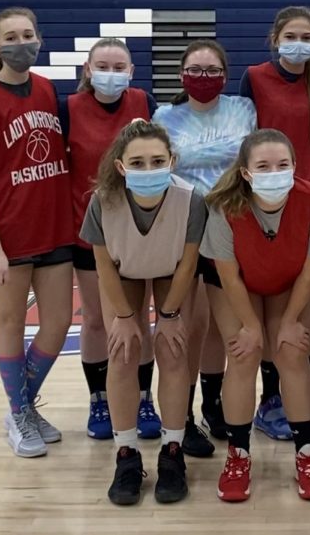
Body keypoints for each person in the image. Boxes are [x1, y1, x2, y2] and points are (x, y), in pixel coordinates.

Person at [201, 129, 310, 502]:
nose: (274, 171)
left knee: (292, 354)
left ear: (295, 167)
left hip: (288, 282)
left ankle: (307, 454)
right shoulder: (222, 205)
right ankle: (238, 455)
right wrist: (250, 326)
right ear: (246, 172)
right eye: (263, 165)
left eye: (282, 164)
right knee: (243, 355)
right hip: (236, 284)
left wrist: (292, 320)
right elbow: (228, 276)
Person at [0, 7, 74, 458]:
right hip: (8, 234)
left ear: (39, 40)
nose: (21, 42)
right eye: (11, 36)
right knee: (10, 322)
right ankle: (20, 412)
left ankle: (20, 406)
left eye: (28, 34)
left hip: (53, 225)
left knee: (59, 322)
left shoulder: (47, 89)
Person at [79, 120, 203, 505]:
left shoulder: (192, 199)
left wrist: (167, 317)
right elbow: (103, 266)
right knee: (122, 353)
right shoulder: (102, 201)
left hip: (172, 272)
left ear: (172, 161)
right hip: (123, 272)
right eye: (138, 162)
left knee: (173, 349)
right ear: (121, 166)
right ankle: (127, 453)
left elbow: (187, 264)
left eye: (157, 161)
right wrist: (122, 316)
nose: (148, 169)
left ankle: (172, 451)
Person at [154, 39, 257, 456]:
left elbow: (244, 156)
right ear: (181, 75)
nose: (203, 76)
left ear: (225, 75)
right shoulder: (165, 115)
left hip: (233, 225)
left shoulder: (241, 109)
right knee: (192, 324)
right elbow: (168, 162)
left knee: (220, 324)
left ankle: (214, 403)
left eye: (212, 69)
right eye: (195, 69)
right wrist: (224, 152)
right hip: (185, 227)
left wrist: (191, 154)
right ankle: (186, 414)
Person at [240, 6, 310, 437]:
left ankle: (304, 392)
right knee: (266, 305)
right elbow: (243, 140)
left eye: (307, 35)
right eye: (291, 35)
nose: (300, 42)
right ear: (276, 38)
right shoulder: (255, 78)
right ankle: (271, 399)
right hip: (263, 200)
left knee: (305, 306)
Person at [63, 38, 160, 442]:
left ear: (131, 72)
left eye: (119, 66)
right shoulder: (67, 108)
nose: (111, 72)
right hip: (91, 230)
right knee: (97, 320)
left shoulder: (143, 102)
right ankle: (99, 396)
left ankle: (142, 397)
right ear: (88, 70)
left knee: (140, 319)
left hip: (139, 228)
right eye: (102, 65)